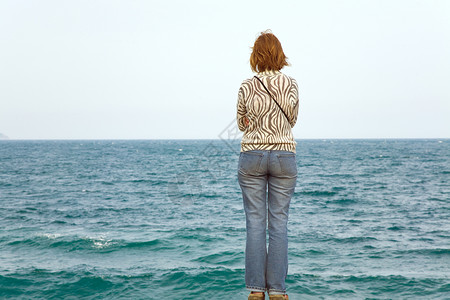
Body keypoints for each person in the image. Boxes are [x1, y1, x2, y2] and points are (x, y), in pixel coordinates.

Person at [237, 30, 299, 300]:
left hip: (252, 154)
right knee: (279, 224)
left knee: (255, 223)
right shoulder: (292, 84)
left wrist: (255, 123)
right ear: (279, 54)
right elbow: (293, 120)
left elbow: (241, 123)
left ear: (256, 56)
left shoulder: (247, 85)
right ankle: (277, 291)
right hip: (284, 155)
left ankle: (255, 290)